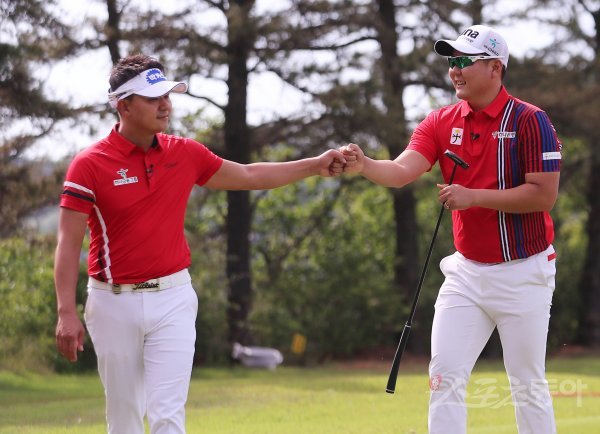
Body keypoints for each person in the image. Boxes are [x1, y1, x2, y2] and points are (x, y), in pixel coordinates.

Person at [54, 54, 346, 434]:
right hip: (113, 303)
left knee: (168, 416)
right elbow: (68, 242)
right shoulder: (89, 164)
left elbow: (248, 175)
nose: (165, 105)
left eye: (167, 96)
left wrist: (314, 165)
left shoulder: (184, 153)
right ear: (124, 105)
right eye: (153, 98)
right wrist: (66, 311)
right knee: (124, 418)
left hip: (173, 298)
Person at [341, 25, 561, 434]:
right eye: (451, 61)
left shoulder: (531, 120)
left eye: (464, 60)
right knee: (443, 377)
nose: (455, 69)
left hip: (524, 272)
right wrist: (365, 164)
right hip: (466, 274)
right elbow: (402, 170)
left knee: (526, 384)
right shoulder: (440, 121)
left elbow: (543, 195)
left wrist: (473, 196)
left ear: (495, 68)